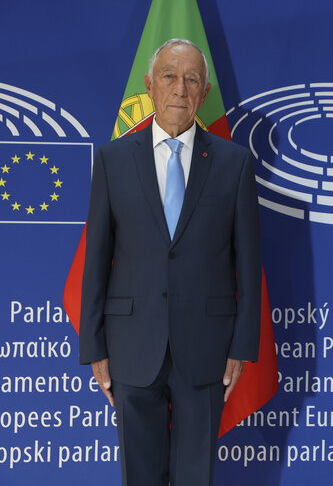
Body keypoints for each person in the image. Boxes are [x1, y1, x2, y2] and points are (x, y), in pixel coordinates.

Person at [79, 38, 262, 486]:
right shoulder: (112, 159)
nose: (180, 88)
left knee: (196, 475)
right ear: (150, 86)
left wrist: (241, 346)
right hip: (131, 344)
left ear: (203, 93)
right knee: (138, 474)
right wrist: (94, 346)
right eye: (169, 76)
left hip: (207, 345)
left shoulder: (234, 164)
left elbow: (250, 262)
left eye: (191, 79)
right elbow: (97, 257)